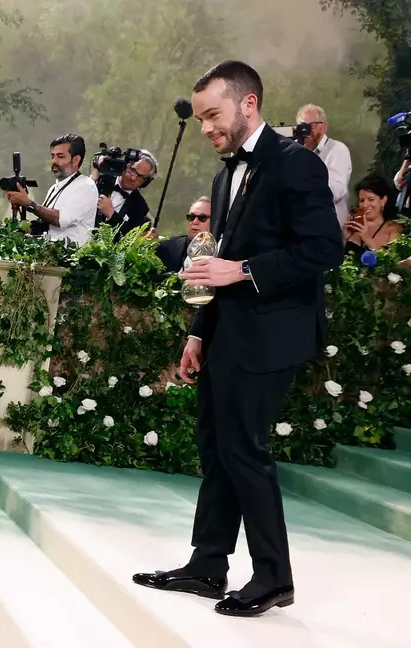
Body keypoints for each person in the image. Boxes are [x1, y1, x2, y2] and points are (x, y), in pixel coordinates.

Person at [133, 60, 342, 618]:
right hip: (227, 330)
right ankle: (208, 564)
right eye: (200, 118)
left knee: (244, 450)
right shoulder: (227, 174)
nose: (205, 127)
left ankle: (274, 576)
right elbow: (215, 263)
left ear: (248, 103)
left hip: (274, 332)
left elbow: (325, 249)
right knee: (215, 446)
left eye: (212, 114)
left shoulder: (295, 164)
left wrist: (244, 270)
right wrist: (199, 332)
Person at [4, 134, 99, 246]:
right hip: (50, 257)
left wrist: (28, 204)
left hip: (72, 259)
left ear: (76, 159)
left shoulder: (86, 185)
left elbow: (62, 220)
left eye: (60, 156)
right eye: (53, 156)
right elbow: (47, 223)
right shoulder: (54, 188)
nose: (54, 161)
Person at [296, 104, 353, 226]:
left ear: (324, 127)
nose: (306, 132)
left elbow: (336, 192)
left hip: (330, 229)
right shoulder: (295, 153)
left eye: (312, 125)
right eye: (302, 126)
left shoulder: (337, 150)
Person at [344, 173, 403, 254]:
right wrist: (346, 238)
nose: (365, 205)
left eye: (371, 199)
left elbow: (393, 261)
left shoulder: (394, 228)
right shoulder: (356, 226)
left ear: (383, 200)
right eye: (362, 200)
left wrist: (367, 238)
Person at [156, 196, 213, 274]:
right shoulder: (166, 248)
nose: (195, 222)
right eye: (191, 217)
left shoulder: (227, 256)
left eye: (202, 218)